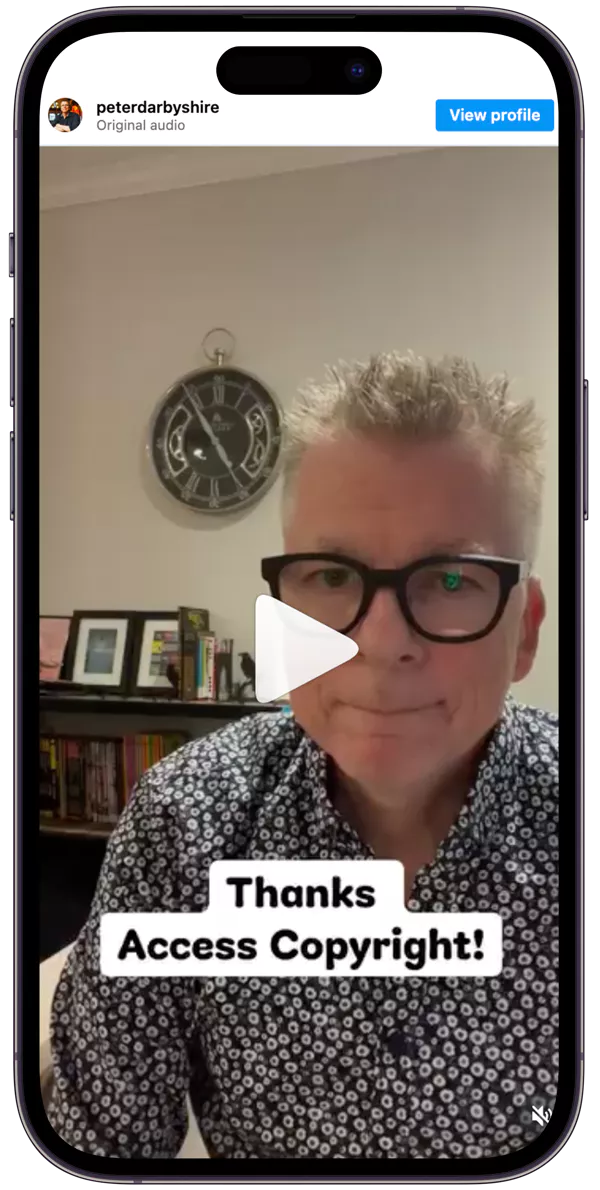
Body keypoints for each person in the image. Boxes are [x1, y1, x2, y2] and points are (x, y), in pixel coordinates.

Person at [46, 352, 558, 1160]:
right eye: (328, 574)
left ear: (524, 629)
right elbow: (98, 1148)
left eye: (452, 582)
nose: (380, 644)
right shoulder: (186, 824)